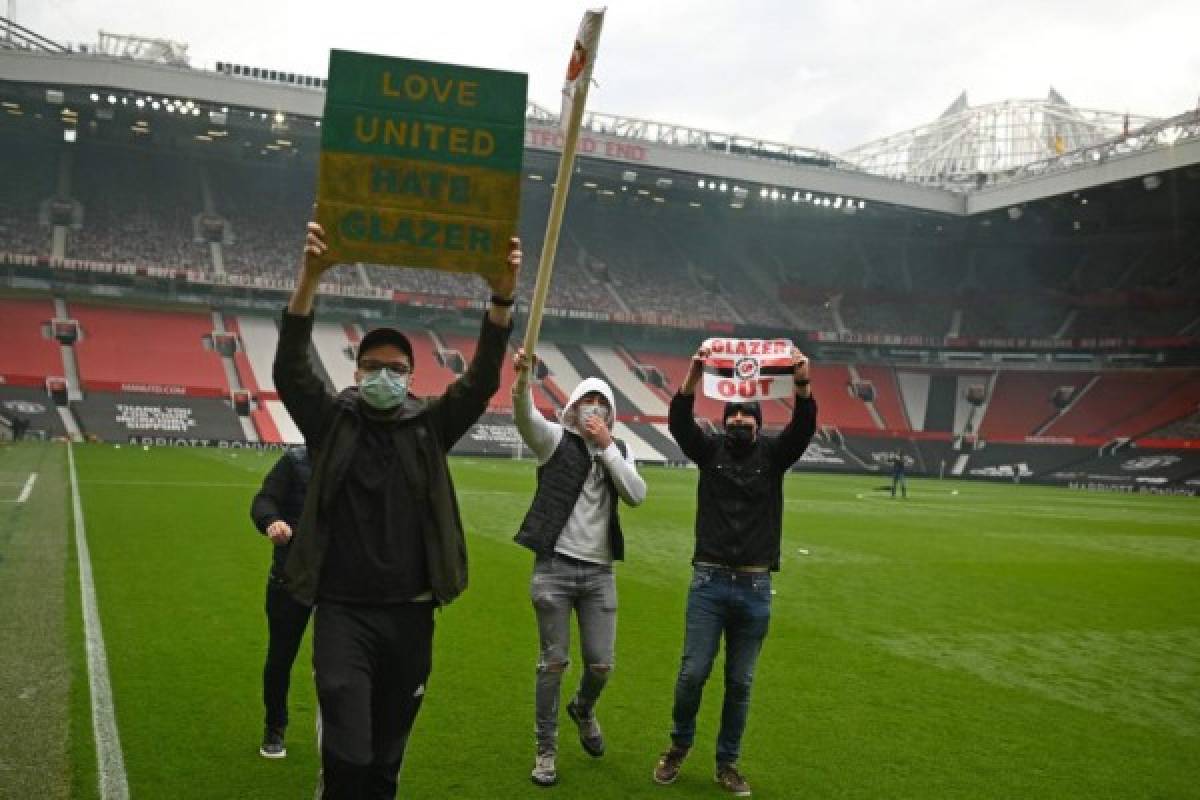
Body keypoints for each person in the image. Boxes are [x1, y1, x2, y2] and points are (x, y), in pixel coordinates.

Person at [274, 220, 519, 799]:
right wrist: (308, 278)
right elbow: (290, 370)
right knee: (348, 753)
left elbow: (481, 379)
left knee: (385, 762)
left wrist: (502, 298)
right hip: (342, 613)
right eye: (373, 366)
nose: (384, 375)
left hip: (411, 617)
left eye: (397, 368)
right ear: (356, 372)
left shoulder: (430, 427)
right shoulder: (333, 421)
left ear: (412, 377)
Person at [653, 343, 816, 796]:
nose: (740, 421)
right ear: (723, 421)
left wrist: (802, 382)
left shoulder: (774, 457)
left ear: (759, 424)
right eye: (733, 415)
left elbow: (803, 428)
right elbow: (680, 424)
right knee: (692, 673)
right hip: (708, 582)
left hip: (755, 585)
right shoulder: (709, 453)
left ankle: (727, 763)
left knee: (740, 683)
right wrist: (692, 374)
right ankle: (678, 746)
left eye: (748, 416)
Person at [510, 348, 647, 787]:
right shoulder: (554, 440)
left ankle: (584, 708)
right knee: (552, 663)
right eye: (587, 402)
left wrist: (607, 446)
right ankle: (545, 750)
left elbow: (636, 494)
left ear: (610, 412)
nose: (593, 410)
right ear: (573, 407)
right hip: (554, 568)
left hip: (599, 574)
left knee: (601, 665)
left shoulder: (618, 449)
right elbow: (524, 414)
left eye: (601, 404)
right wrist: (521, 380)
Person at [249, 446, 313, 759]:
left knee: (340, 665)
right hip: (290, 579)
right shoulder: (295, 461)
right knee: (280, 657)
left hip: (338, 584)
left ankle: (341, 736)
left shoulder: (356, 459)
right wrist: (271, 521)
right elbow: (264, 499)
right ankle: (274, 726)